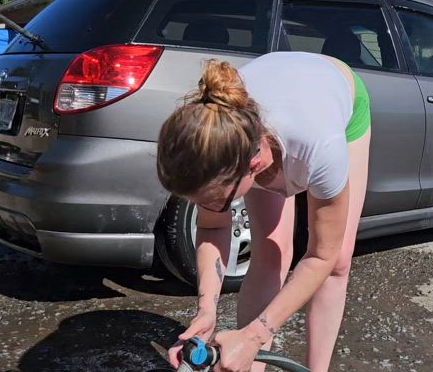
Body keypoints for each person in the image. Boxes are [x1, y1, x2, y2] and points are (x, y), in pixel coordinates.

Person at [157, 51, 371, 372]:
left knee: (337, 259)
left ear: (252, 165)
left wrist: (255, 336)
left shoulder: (320, 147)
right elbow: (213, 228)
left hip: (336, 98)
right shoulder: (219, 141)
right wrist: (206, 308)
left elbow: (320, 256)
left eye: (217, 201)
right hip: (273, 107)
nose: (208, 211)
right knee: (270, 256)